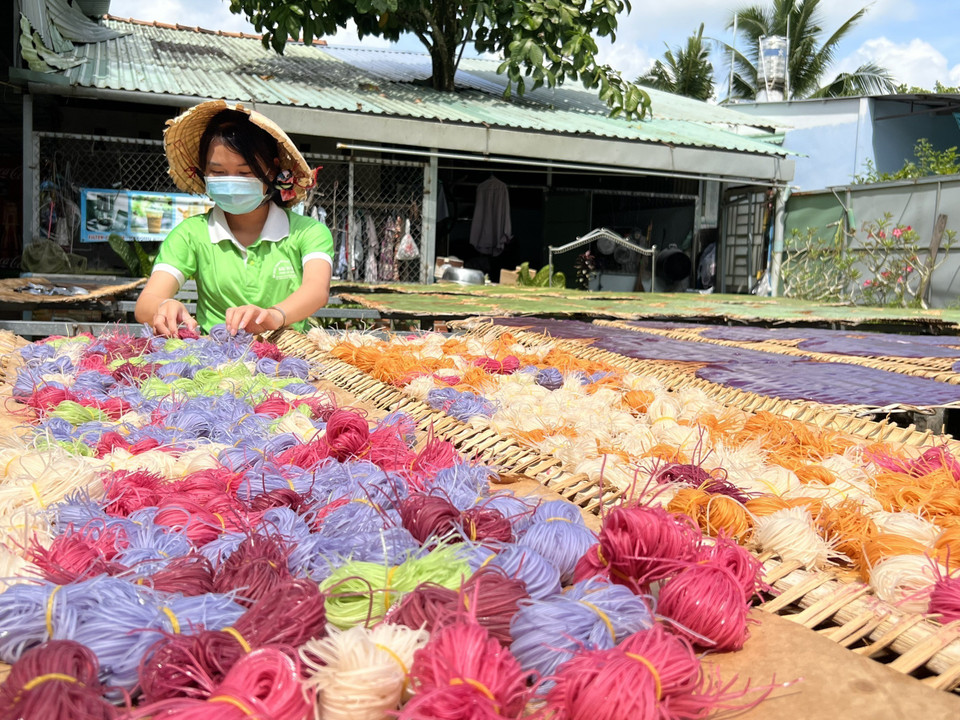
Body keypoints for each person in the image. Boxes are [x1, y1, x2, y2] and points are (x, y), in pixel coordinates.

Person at [135, 100, 333, 337]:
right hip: (213, 358)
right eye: (218, 172)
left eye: (245, 172)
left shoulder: (308, 232)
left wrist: (273, 316)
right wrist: (162, 307)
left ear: (273, 169)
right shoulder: (190, 234)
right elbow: (147, 301)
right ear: (203, 172)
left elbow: (316, 290)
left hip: (289, 356)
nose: (231, 182)